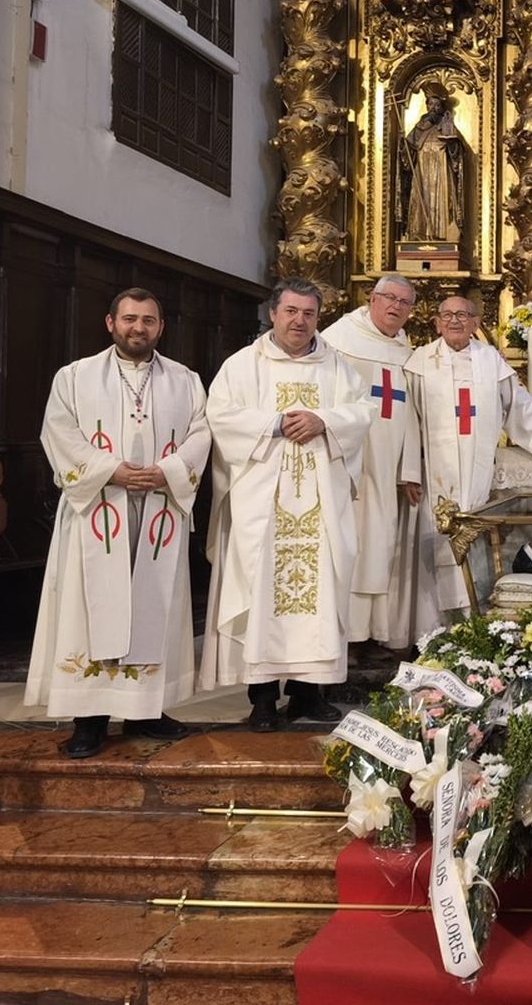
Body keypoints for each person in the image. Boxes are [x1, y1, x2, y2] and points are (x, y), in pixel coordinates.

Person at [25, 288, 212, 759]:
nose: (139, 328)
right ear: (110, 323)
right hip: (98, 510)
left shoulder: (185, 381)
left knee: (152, 604)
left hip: (157, 511)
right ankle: (88, 720)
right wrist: (112, 470)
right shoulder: (75, 377)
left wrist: (166, 473)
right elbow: (58, 431)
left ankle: (147, 709)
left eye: (149, 320)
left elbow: (201, 433)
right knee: (89, 610)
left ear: (160, 327)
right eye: (130, 319)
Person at [201, 279, 373, 731]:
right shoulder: (243, 365)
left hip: (320, 506)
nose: (300, 321)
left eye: (309, 314)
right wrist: (276, 424)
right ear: (273, 314)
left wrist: (325, 419)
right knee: (260, 592)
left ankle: (307, 694)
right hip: (263, 506)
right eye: (292, 312)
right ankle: (261, 698)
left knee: (321, 593)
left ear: (319, 318)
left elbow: (361, 412)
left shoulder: (337, 367)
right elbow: (219, 416)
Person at [401, 297, 532, 623]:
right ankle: (431, 627)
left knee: (474, 538)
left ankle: (473, 618)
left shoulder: (491, 361)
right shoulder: (419, 362)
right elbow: (406, 420)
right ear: (436, 323)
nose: (455, 321)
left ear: (476, 323)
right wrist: (408, 470)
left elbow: (519, 409)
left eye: (463, 315)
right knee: (434, 540)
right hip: (432, 474)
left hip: (478, 476)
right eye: (447, 315)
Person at [321, 275, 419, 649]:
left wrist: (408, 469)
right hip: (351, 462)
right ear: (372, 299)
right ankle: (343, 635)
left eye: (404, 302)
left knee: (381, 546)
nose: (395, 307)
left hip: (387, 468)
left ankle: (373, 633)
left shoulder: (402, 348)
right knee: (352, 546)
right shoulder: (338, 341)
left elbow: (410, 414)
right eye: (389, 298)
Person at [399, 81, 466, 243]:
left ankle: (443, 236)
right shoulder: (419, 128)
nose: (433, 108)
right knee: (421, 203)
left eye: (437, 104)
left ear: (442, 107)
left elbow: (457, 153)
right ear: (426, 106)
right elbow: (408, 152)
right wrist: (403, 144)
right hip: (422, 173)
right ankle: (420, 234)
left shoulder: (447, 125)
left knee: (443, 202)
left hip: (441, 173)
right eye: (431, 104)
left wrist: (452, 145)